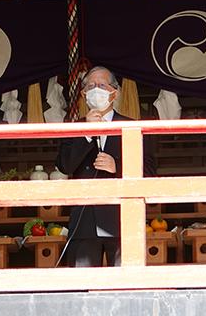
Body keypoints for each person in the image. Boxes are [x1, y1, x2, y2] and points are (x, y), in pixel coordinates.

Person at [56, 66, 156, 267]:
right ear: (84, 94)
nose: (96, 89)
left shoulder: (132, 127)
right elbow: (64, 166)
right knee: (82, 286)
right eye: (91, 86)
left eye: (102, 85)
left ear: (114, 92)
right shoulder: (73, 127)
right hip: (85, 219)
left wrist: (117, 167)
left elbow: (149, 173)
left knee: (124, 286)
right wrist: (87, 133)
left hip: (121, 217)